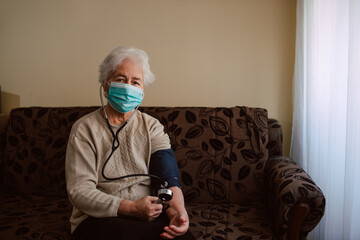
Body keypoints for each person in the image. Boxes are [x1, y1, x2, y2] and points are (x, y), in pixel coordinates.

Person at [65, 46, 195, 240]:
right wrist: (131, 208)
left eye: (136, 82)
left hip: (148, 215)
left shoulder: (152, 126)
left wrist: (177, 212)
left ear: (142, 90)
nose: (128, 86)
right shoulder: (84, 129)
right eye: (120, 79)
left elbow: (168, 179)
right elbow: (80, 192)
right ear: (105, 84)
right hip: (99, 218)